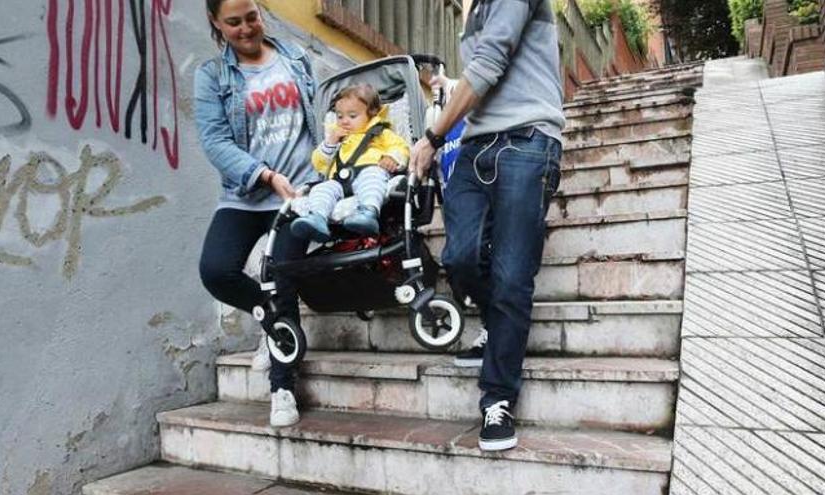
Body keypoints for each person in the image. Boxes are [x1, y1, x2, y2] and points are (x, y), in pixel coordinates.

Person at [410, 0, 565, 451]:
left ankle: (497, 399)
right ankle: (496, 324)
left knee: (512, 275)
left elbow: (490, 63)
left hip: (529, 140)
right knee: (458, 257)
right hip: (477, 144)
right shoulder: (473, 9)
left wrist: (433, 136)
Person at [194, 0, 319, 427]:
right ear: (215, 22)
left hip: (298, 192)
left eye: (252, 16)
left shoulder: (295, 58)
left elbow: (314, 124)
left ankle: (282, 387)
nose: (246, 28)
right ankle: (269, 322)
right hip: (247, 193)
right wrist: (263, 175)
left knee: (279, 273)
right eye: (233, 22)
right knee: (216, 270)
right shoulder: (212, 76)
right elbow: (215, 142)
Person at [291, 83, 409, 241]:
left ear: (372, 113)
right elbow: (319, 163)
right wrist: (331, 142)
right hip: (340, 181)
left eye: (352, 116)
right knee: (323, 188)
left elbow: (401, 147)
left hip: (370, 171)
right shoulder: (337, 140)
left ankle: (367, 212)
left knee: (373, 176)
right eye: (340, 116)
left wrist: (392, 158)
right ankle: (317, 217)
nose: (344, 121)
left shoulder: (380, 133)